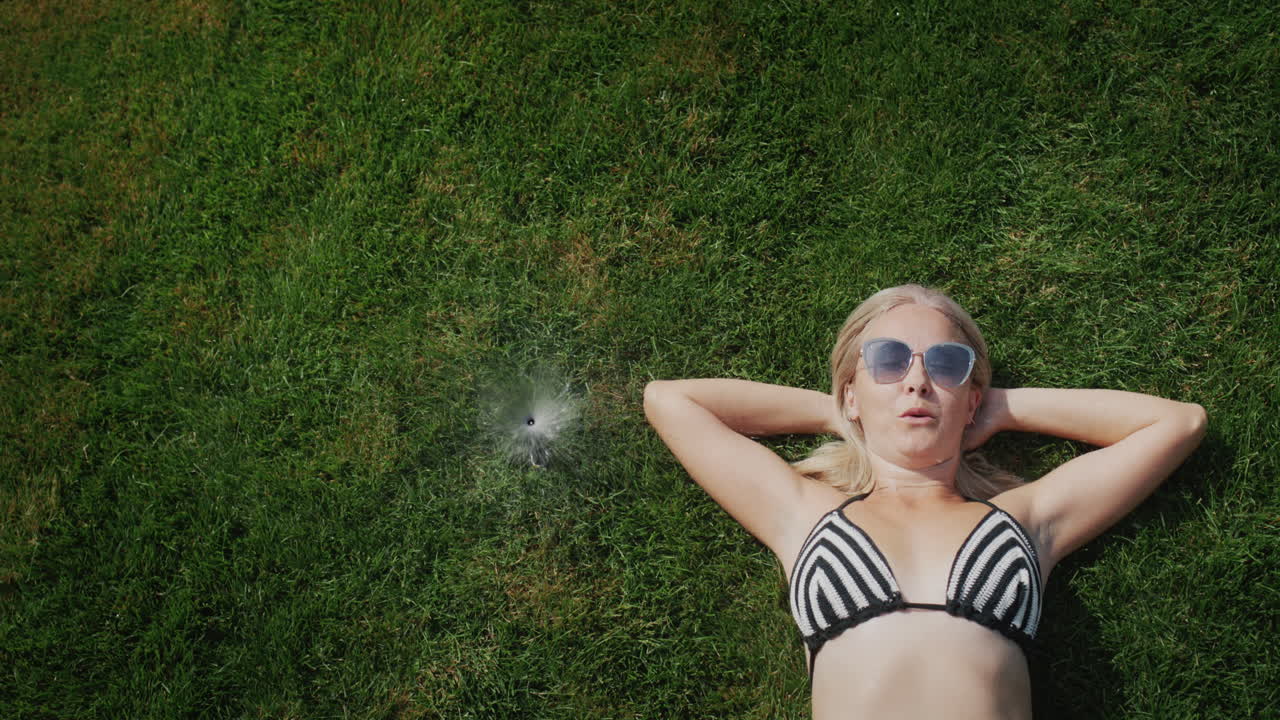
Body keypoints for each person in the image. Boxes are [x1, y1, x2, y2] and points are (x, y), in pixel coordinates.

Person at [643, 284, 1206, 719]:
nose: (916, 380)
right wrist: (833, 412)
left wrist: (1004, 408)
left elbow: (1177, 423)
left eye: (945, 365)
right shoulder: (804, 515)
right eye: (888, 361)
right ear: (852, 392)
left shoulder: (1024, 521)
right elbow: (671, 401)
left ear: (971, 399)